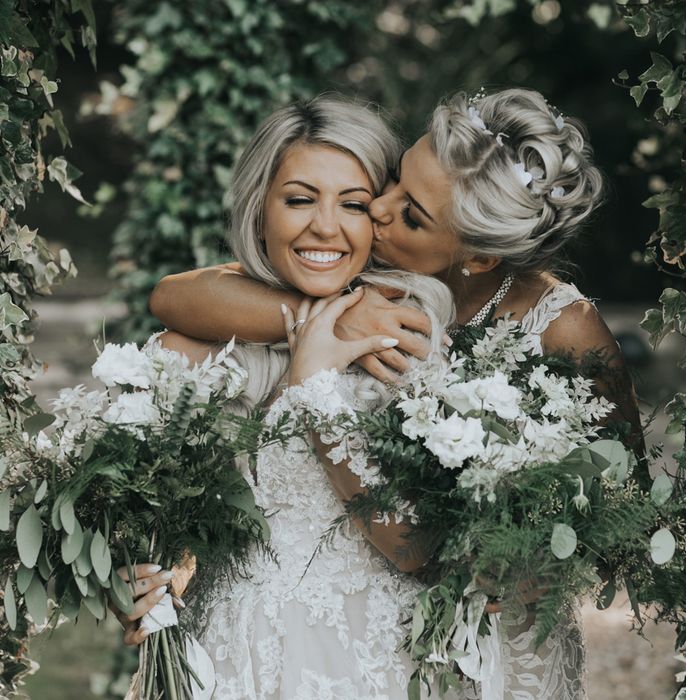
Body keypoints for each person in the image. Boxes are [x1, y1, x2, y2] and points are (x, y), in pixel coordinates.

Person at [131, 88, 644, 698]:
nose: (376, 209)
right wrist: (327, 318)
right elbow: (173, 297)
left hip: (487, 641)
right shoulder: (358, 283)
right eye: (394, 180)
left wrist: (527, 547)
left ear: (476, 254)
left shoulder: (557, 327)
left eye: (410, 214)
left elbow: (619, 501)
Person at [115, 94, 458, 699]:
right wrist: (141, 572)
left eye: (352, 205)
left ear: (378, 217)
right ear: (261, 210)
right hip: (228, 662)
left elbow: (421, 546)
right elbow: (170, 300)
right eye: (299, 200)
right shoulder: (202, 352)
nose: (324, 226)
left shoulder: (402, 343)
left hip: (367, 662)